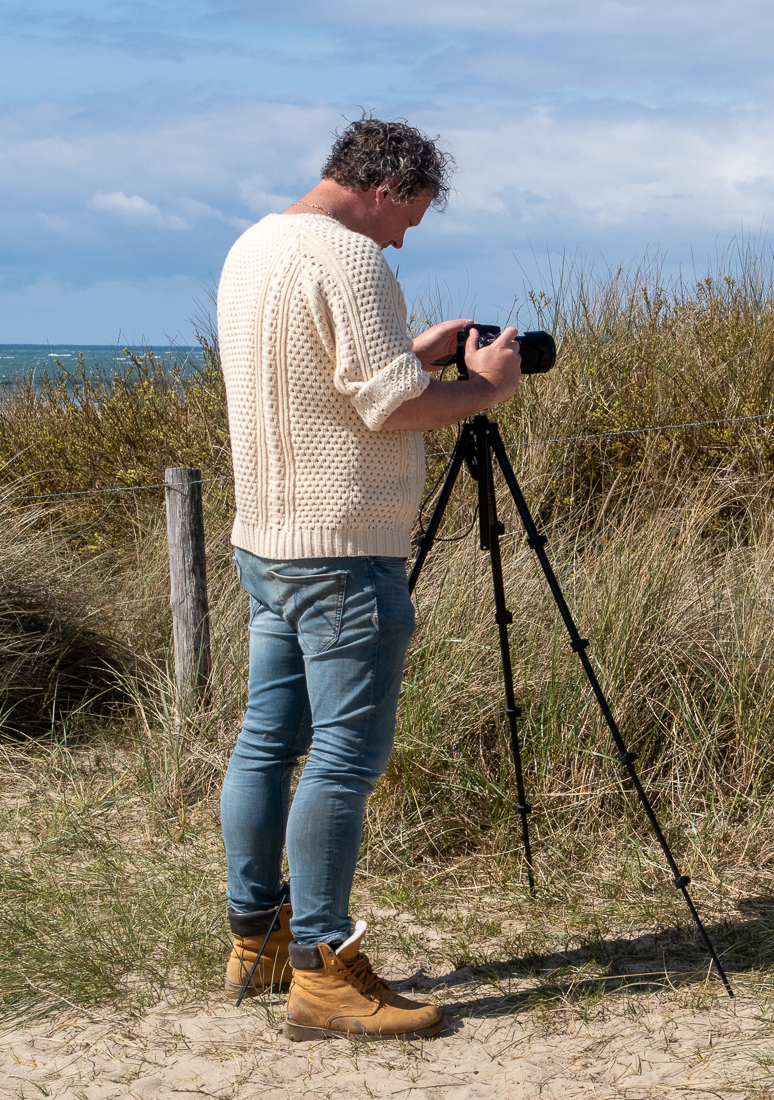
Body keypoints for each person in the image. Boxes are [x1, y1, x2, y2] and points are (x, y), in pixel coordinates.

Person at [214, 118, 522, 1041]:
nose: (404, 237)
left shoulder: (252, 246)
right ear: (384, 187)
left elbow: (318, 378)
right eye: (410, 218)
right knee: (345, 760)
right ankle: (322, 970)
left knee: (267, 740)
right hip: (343, 548)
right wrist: (489, 386)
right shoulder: (352, 261)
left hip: (267, 538)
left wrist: (415, 349)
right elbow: (393, 406)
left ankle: (255, 937)